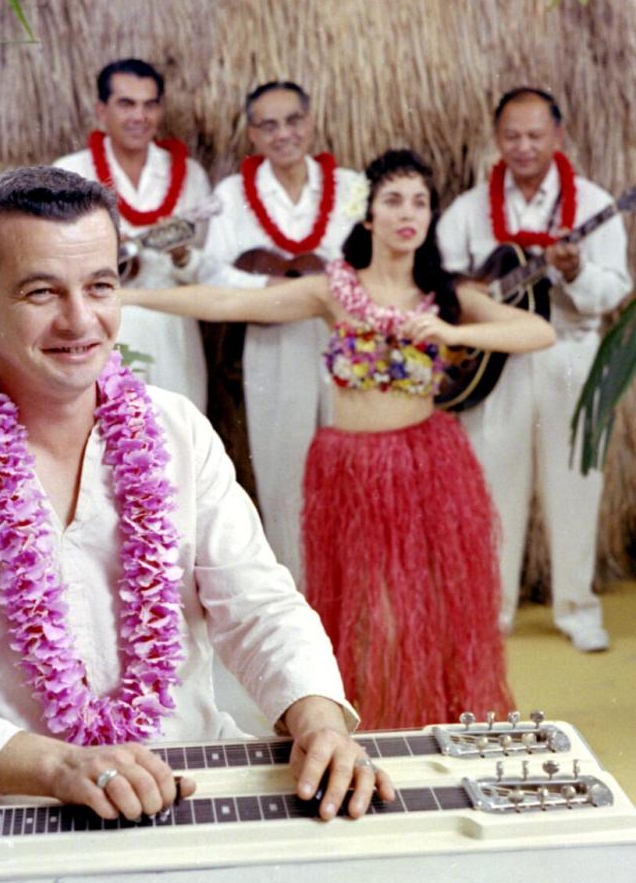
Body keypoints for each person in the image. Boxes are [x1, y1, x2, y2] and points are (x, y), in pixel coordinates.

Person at [0, 165, 392, 821]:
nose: (80, 320)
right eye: (42, 292)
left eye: (100, 285)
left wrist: (320, 721)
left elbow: (260, 608)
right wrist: (60, 765)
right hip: (14, 808)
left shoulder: (176, 428)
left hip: (188, 784)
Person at [121, 149, 556, 729]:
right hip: (351, 468)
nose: (409, 213)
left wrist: (453, 330)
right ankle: (368, 721)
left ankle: (428, 719)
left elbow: (538, 331)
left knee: (430, 606)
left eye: (420, 202)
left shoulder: (445, 294)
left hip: (428, 462)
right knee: (368, 610)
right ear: (369, 216)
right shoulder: (334, 290)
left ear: (430, 218)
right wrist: (123, 296)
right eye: (393, 200)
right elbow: (229, 301)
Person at [438, 88, 631, 652]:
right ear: (496, 138)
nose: (523, 146)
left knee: (576, 484)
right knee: (492, 491)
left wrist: (572, 274)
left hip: (571, 357)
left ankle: (577, 609)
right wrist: (473, 297)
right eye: (512, 135)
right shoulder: (470, 209)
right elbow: (444, 283)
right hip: (494, 366)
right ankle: (492, 614)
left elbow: (613, 291)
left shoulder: (594, 203)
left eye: (535, 135)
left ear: (558, 136)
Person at [197, 82, 365, 583]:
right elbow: (210, 271)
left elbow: (370, 264)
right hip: (270, 339)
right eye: (268, 125)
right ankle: (294, 593)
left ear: (310, 122)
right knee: (282, 473)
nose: (284, 134)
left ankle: (351, 587)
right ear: (252, 134)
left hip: (345, 343)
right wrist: (269, 285)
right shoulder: (231, 196)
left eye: (293, 121)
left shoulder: (352, 187)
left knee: (352, 463)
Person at [54, 59, 212, 410]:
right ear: (101, 110)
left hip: (174, 328)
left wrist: (181, 254)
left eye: (149, 104)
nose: (139, 116)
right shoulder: (69, 173)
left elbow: (202, 268)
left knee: (181, 434)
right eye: (126, 104)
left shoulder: (190, 176)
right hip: (99, 329)